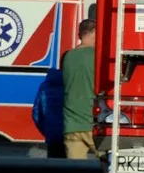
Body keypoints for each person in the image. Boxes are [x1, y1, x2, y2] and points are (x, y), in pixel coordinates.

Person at [61, 19, 98, 159]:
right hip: (94, 123)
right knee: (109, 170)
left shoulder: (68, 57)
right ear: (94, 33)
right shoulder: (97, 57)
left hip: (72, 125)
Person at [31, 68, 65, 158]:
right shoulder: (71, 85)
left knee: (53, 165)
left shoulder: (45, 86)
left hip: (51, 134)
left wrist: (46, 130)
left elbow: (36, 113)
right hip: (69, 131)